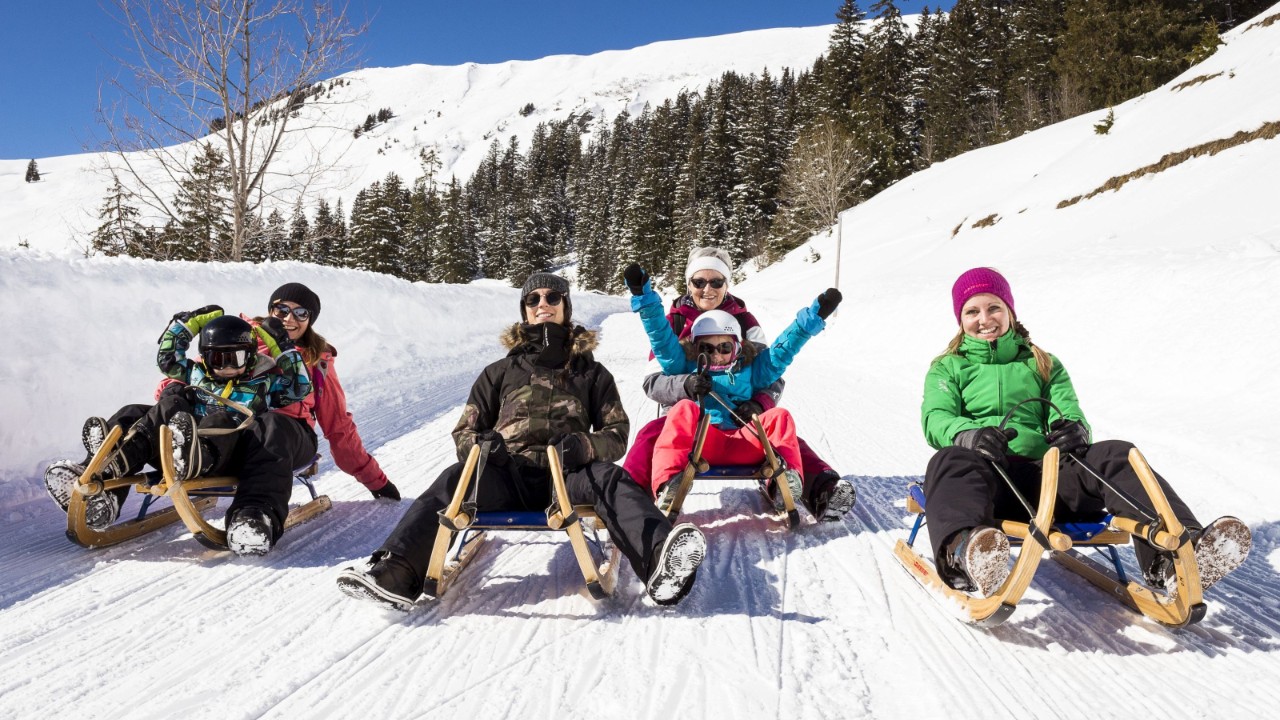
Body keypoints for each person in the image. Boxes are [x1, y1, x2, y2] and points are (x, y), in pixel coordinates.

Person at [337, 272, 706, 610]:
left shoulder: (591, 373)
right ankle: (396, 572)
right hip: (506, 475)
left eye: (552, 297)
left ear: (565, 308)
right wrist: (482, 449)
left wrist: (585, 447)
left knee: (610, 478)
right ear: (525, 311)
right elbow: (463, 431)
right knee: (453, 479)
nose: (543, 303)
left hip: (568, 477)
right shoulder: (499, 373)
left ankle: (660, 561)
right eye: (534, 299)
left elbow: (617, 433)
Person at [921, 267, 1252, 597]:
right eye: (972, 311)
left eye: (994, 307)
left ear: (1010, 312)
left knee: (1117, 453)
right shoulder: (948, 367)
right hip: (991, 488)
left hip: (1050, 485)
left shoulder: (1042, 362)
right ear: (960, 319)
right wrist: (969, 434)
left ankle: (1177, 555)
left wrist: (1075, 431)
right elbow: (936, 418)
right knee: (949, 459)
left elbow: (1068, 409)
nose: (985, 318)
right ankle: (965, 554)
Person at [43, 307, 313, 555]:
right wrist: (186, 325)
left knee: (221, 417)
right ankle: (105, 474)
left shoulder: (265, 382)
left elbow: (299, 386)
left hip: (225, 454)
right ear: (205, 357)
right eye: (217, 358)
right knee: (143, 409)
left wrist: (283, 346)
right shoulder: (195, 374)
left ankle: (250, 517)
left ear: (252, 355)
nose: (227, 366)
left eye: (236, 358)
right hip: (174, 446)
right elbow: (167, 357)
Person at [622, 247, 855, 521]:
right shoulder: (673, 322)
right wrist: (686, 384)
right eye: (699, 282)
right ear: (689, 284)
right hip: (691, 420)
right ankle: (630, 499)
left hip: (743, 421)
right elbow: (654, 378)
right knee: (653, 433)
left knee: (782, 430)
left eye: (716, 281)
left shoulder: (745, 323)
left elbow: (772, 365)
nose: (707, 288)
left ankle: (816, 488)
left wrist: (760, 403)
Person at [253, 283, 400, 501]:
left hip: (290, 437)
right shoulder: (242, 340)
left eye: (300, 313)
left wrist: (374, 478)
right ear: (270, 311)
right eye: (282, 310)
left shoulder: (317, 359)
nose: (289, 319)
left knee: (274, 423)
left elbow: (337, 423)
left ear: (309, 320)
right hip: (242, 432)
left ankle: (258, 513)